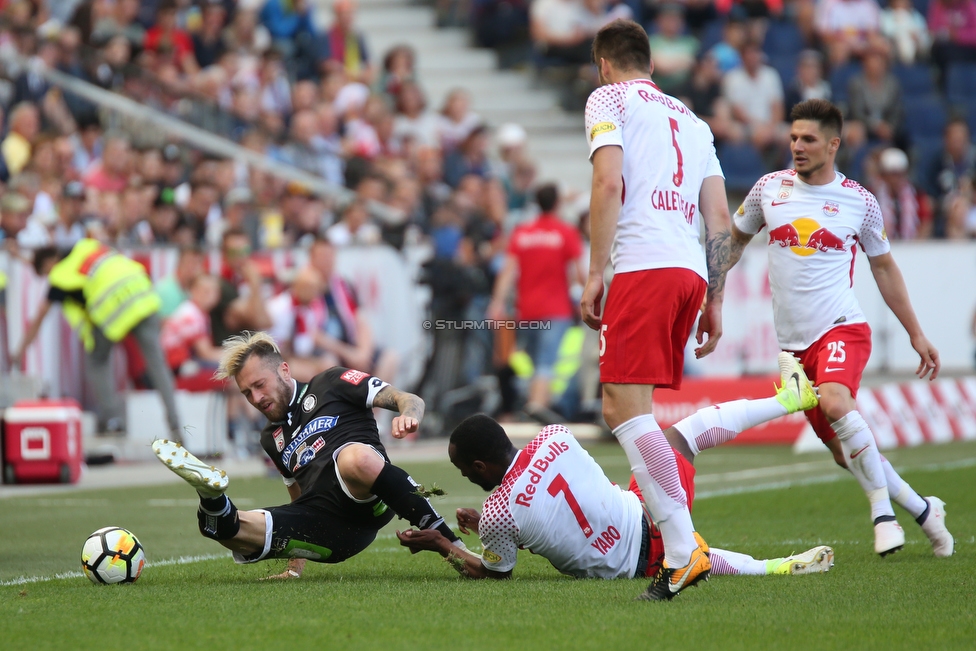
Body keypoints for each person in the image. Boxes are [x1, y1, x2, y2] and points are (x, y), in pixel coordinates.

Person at [730, 99, 953, 558]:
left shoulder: (860, 202)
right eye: (793, 137)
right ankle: (925, 510)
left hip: (842, 328)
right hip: (793, 349)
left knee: (835, 400)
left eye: (808, 139)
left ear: (834, 144)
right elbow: (732, 241)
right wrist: (708, 294)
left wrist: (915, 332)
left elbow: (885, 268)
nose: (796, 146)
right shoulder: (768, 189)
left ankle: (882, 513)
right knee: (841, 451)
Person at [396, 360, 828, 581]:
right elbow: (547, 505)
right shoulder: (554, 435)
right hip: (641, 510)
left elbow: (492, 574)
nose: (466, 478)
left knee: (689, 556)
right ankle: (790, 400)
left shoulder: (498, 514)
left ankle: (776, 568)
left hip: (635, 560)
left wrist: (440, 543)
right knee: (683, 435)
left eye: (464, 470)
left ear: (478, 465)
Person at [579, 19, 736, 600]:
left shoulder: (609, 97)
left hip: (644, 265)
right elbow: (720, 218)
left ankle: (680, 546)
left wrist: (597, 271)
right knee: (635, 407)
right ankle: (678, 547)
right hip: (691, 270)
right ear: (652, 62)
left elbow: (607, 183)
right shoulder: (694, 121)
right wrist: (715, 296)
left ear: (604, 63)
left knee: (621, 408)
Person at [152, 331, 465, 579]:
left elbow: (406, 397)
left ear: (284, 370)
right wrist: (294, 567)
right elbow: (296, 497)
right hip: (332, 531)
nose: (256, 398)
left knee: (355, 458)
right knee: (224, 530)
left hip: (367, 500)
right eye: (247, 393)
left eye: (260, 385)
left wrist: (409, 415)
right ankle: (210, 493)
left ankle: (455, 548)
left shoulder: (331, 382)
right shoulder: (270, 438)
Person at [13, 240, 180, 435]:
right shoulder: (87, 246)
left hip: (112, 308)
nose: (48, 276)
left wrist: (20, 352)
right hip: (142, 293)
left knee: (97, 361)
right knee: (157, 364)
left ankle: (112, 420)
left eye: (45, 272)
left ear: (49, 263)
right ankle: (176, 423)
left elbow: (38, 318)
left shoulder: (59, 276)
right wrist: (20, 256)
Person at [488, 183, 585, 423]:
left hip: (527, 310)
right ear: (557, 204)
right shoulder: (565, 232)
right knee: (546, 361)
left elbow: (508, 271)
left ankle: (534, 403)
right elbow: (580, 272)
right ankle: (536, 408)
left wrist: (497, 302)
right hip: (556, 309)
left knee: (533, 360)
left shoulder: (523, 233)